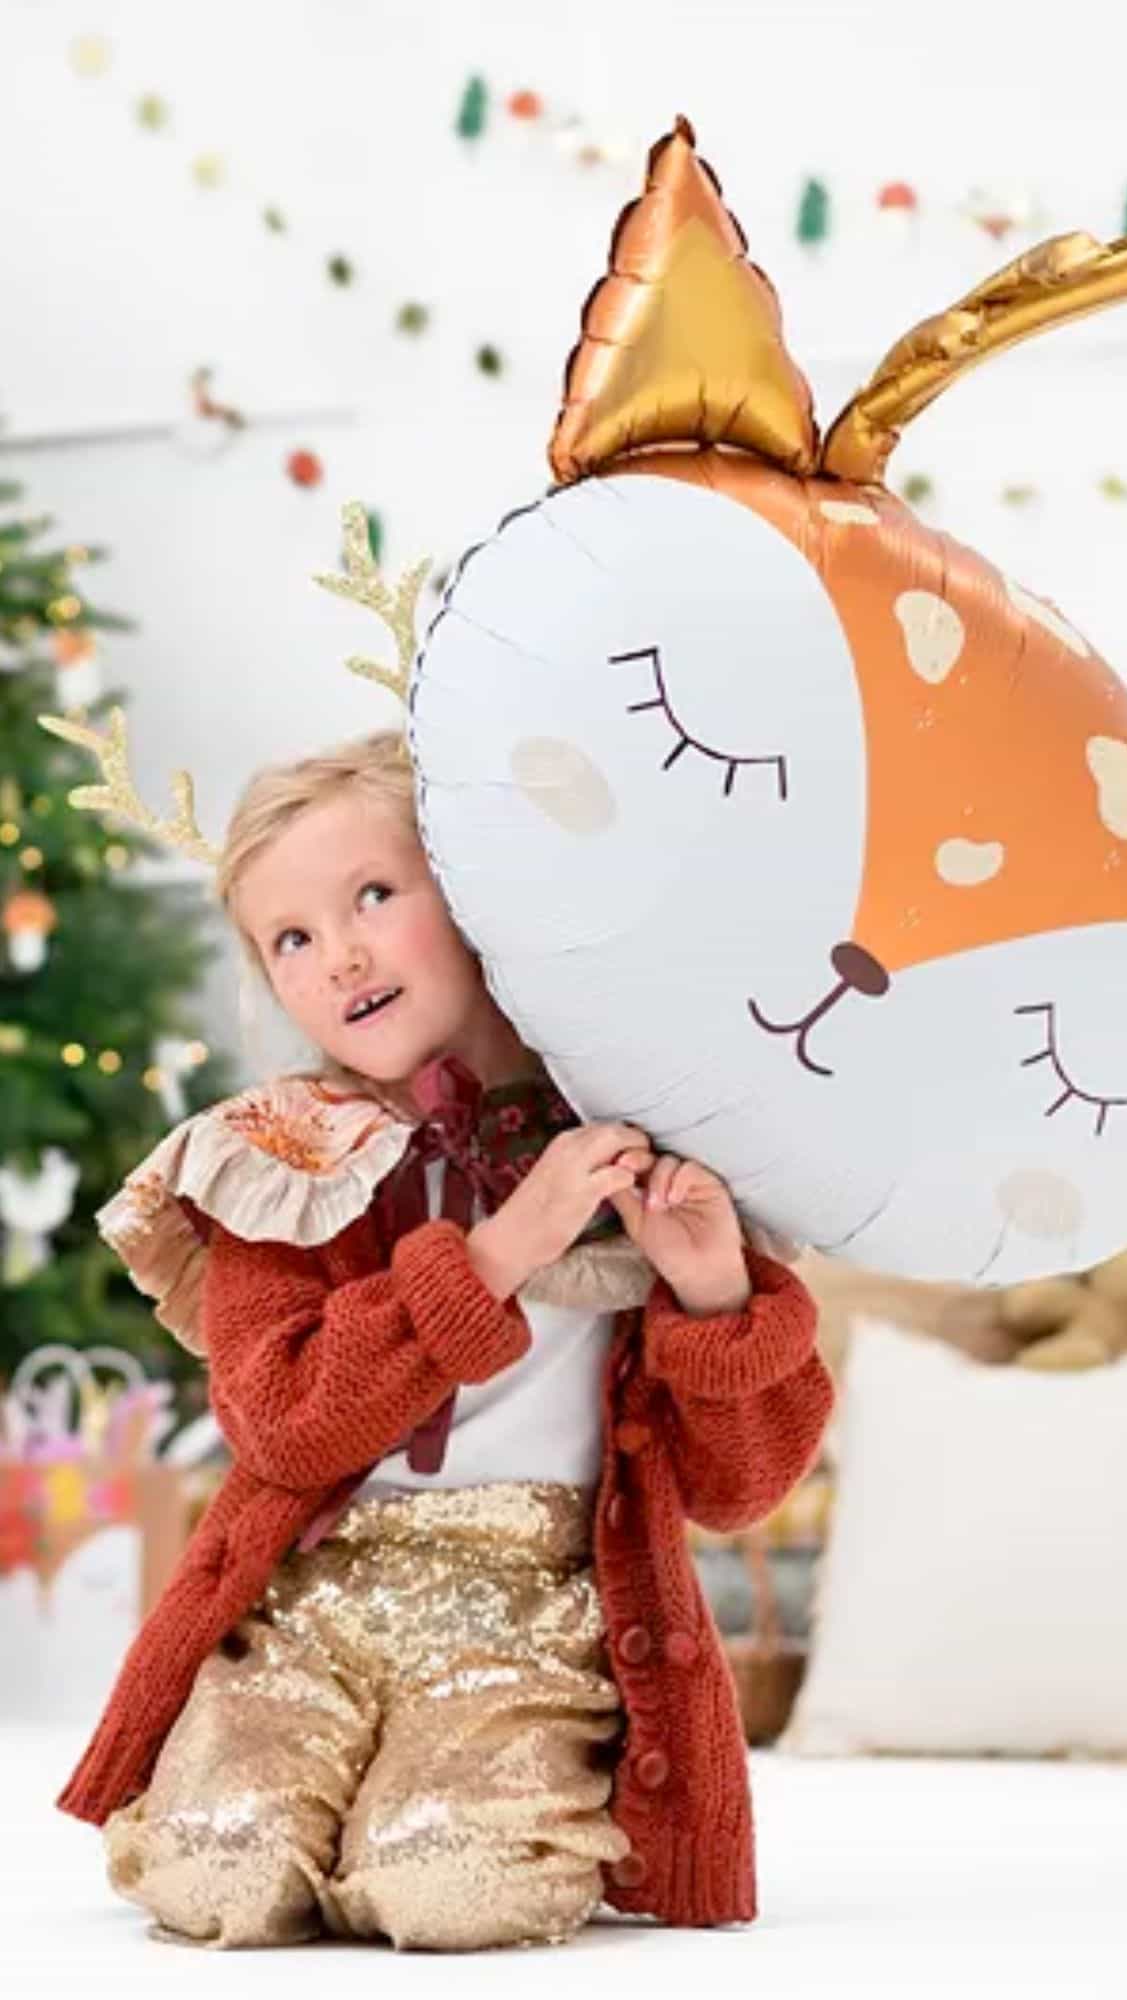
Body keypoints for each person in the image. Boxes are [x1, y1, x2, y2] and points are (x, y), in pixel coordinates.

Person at [51, 725, 832, 1951]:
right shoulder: (281, 1156)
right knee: (213, 1874)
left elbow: (741, 1488)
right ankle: (318, 1800)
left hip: (534, 1613)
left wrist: (714, 1291)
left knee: (449, 1887)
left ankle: (410, 1815)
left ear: (472, 892)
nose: (341, 952)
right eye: (291, 938)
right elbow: (284, 1422)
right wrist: (498, 1253)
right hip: (310, 1602)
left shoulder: (638, 1136)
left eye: (373, 893)